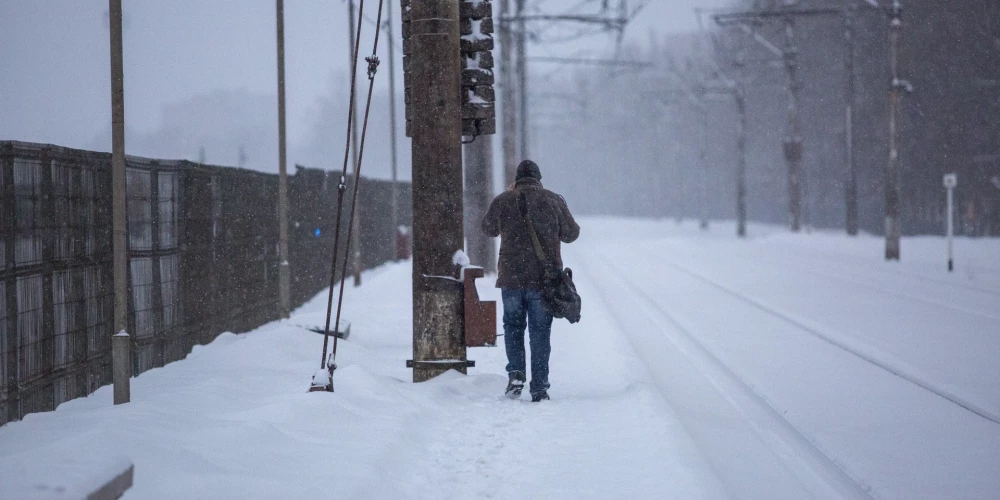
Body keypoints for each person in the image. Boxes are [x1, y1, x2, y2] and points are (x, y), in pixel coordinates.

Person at [481, 160, 580, 402]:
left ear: (516, 179)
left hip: (511, 278)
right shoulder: (553, 200)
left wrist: (507, 203)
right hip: (543, 280)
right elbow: (571, 234)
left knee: (513, 327)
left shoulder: (504, 199)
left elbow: (488, 228)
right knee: (539, 332)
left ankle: (516, 375)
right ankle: (539, 387)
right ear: (539, 178)